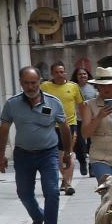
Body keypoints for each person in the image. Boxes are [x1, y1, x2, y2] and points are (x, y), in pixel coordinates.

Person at [0, 66, 73, 224]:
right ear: (21, 83)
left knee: (52, 192)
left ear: (40, 82)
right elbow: (3, 130)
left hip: (49, 154)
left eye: (34, 82)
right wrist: (0, 156)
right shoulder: (12, 104)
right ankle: (38, 216)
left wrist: (67, 153)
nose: (31, 87)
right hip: (23, 155)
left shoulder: (53, 102)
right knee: (24, 193)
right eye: (26, 83)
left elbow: (65, 128)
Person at [42, 62, 83, 195]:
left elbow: (81, 105)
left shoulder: (73, 86)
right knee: (59, 156)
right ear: (52, 74)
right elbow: (41, 105)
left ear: (65, 73)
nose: (60, 75)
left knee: (69, 153)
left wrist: (85, 122)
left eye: (62, 72)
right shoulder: (45, 86)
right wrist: (48, 115)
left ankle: (67, 183)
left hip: (70, 124)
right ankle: (65, 180)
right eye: (57, 72)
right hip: (52, 126)